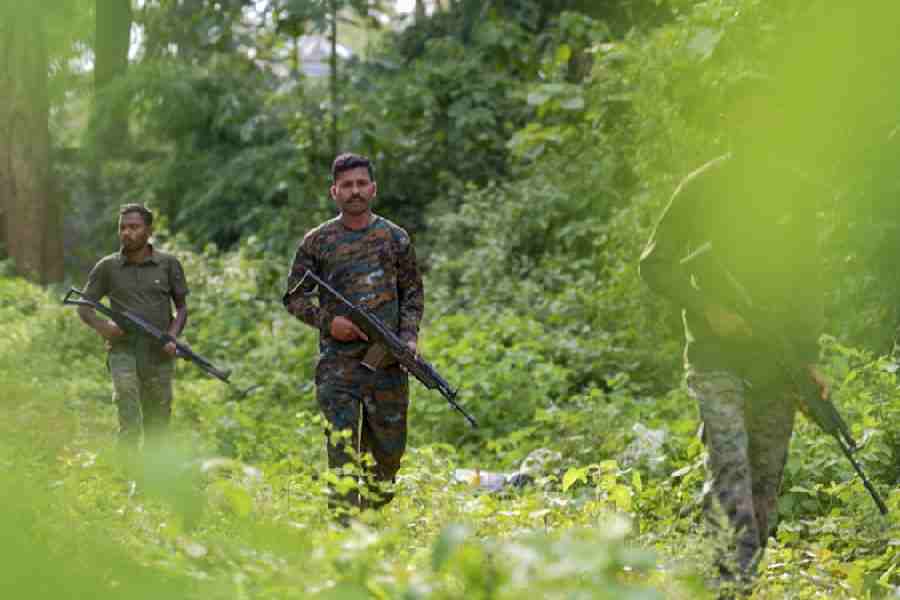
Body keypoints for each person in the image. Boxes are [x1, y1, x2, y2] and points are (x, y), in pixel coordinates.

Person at [639, 150, 829, 595]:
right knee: (730, 475)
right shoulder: (702, 187)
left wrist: (808, 360)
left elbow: (808, 282)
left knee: (764, 486)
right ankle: (727, 586)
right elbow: (655, 264)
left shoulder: (793, 188)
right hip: (715, 360)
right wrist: (708, 308)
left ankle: (733, 581)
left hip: (776, 365)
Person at [283, 153, 424, 518]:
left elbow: (412, 293)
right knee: (343, 455)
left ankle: (371, 519)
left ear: (373, 188)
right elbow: (294, 297)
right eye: (347, 185)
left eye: (362, 183)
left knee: (388, 458)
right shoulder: (318, 242)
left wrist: (408, 338)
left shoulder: (395, 238)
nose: (355, 191)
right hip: (338, 369)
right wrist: (329, 323)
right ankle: (346, 535)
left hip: (387, 365)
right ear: (334, 192)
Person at [78, 204, 189, 447]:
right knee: (128, 411)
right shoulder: (108, 266)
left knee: (158, 422)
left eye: (134, 227)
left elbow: (181, 308)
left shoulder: (169, 264)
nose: (127, 233)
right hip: (123, 350)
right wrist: (104, 327)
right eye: (122, 228)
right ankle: (124, 476)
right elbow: (84, 307)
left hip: (158, 353)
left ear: (149, 230)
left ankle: (150, 480)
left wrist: (171, 337)